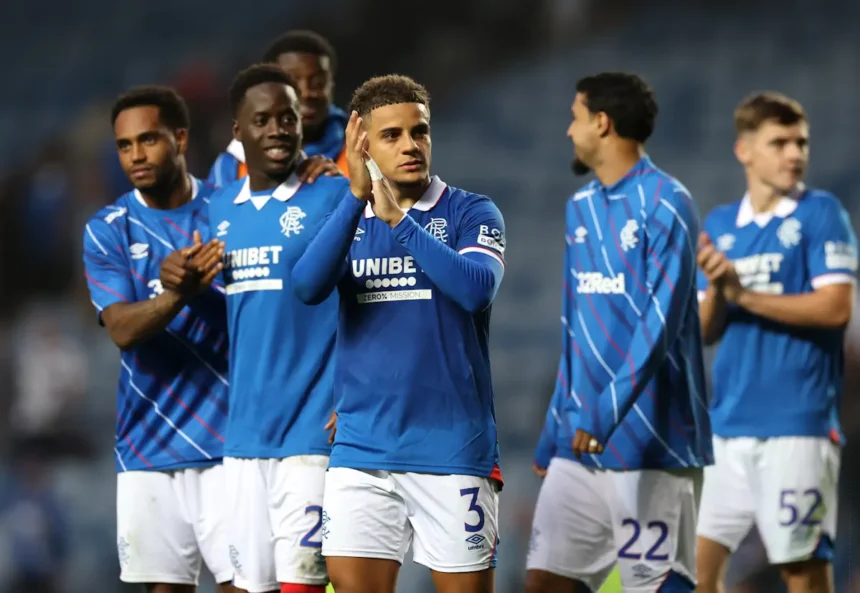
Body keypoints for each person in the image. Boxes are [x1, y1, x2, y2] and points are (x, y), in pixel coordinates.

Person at [292, 74, 506, 593]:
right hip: (363, 452)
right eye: (391, 135)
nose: (411, 144)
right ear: (362, 143)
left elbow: (476, 289)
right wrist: (355, 199)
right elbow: (306, 286)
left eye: (420, 131)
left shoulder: (472, 212)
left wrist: (401, 223)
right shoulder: (344, 218)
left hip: (453, 450)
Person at [524, 72, 712, 593]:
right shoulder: (579, 207)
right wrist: (555, 427)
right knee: (544, 583)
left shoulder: (667, 202)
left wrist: (606, 411)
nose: (569, 131)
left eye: (575, 117)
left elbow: (660, 322)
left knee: (655, 586)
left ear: (601, 124)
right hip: (580, 440)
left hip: (652, 439)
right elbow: (574, 326)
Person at [177, 63, 344, 593]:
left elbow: (372, 300)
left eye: (288, 117)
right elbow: (223, 317)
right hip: (244, 437)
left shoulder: (333, 196)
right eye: (263, 118)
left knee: (303, 585)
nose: (278, 129)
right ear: (238, 131)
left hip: (312, 433)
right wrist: (185, 286)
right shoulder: (217, 211)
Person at [695, 92, 856, 593]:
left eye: (801, 142)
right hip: (728, 427)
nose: (795, 154)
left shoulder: (821, 214)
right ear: (745, 151)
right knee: (695, 572)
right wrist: (720, 294)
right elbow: (703, 331)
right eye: (780, 142)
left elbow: (835, 308)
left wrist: (743, 293)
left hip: (797, 429)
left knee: (801, 574)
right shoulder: (721, 225)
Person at [81, 85, 239, 593]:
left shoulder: (231, 213)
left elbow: (256, 319)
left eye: (148, 140)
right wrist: (177, 294)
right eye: (124, 146)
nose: (136, 156)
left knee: (248, 585)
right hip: (148, 448)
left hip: (231, 446)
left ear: (181, 138)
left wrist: (193, 292)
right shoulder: (108, 229)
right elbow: (123, 329)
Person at [208, 30, 348, 186]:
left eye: (318, 83)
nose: (307, 92)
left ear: (331, 86)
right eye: (292, 81)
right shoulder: (230, 167)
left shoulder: (362, 151)